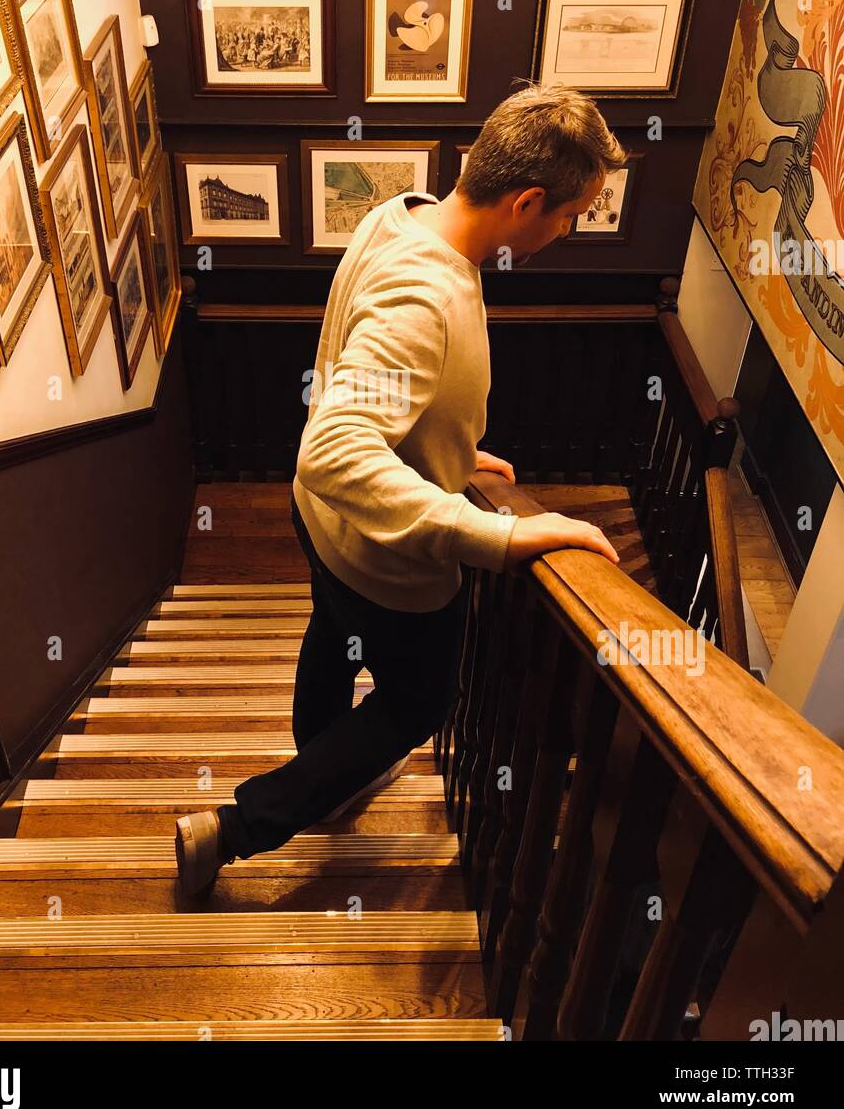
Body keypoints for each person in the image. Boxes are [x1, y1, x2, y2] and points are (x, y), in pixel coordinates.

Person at [175, 83, 626, 899]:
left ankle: (325, 764)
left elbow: (377, 380)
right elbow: (338, 448)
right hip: (384, 558)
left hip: (327, 531)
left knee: (331, 626)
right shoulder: (429, 293)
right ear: (526, 200)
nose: (570, 229)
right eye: (571, 214)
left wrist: (446, 447)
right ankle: (237, 827)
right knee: (417, 702)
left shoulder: (404, 215)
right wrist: (497, 534)